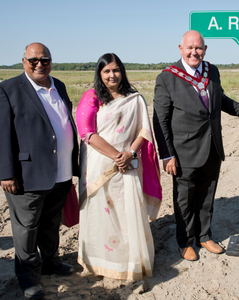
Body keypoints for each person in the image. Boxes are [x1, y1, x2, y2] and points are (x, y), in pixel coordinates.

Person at [0, 43, 79, 299]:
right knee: (26, 230)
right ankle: (29, 279)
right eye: (33, 60)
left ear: (52, 61)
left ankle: (51, 263)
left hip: (60, 174)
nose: (39, 64)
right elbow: (0, 135)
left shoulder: (58, 85)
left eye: (45, 60)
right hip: (27, 177)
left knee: (51, 224)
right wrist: (6, 173)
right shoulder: (6, 90)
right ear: (23, 61)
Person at [153, 30, 239, 261]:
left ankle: (204, 236)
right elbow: (160, 119)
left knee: (206, 196)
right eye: (190, 48)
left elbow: (221, 101)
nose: (194, 52)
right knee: (184, 200)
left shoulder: (211, 71)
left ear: (205, 49)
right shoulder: (167, 77)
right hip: (183, 152)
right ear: (180, 49)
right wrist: (167, 155)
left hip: (212, 147)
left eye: (199, 48)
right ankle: (185, 242)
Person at [76, 53, 162, 281]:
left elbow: (144, 131)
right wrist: (117, 156)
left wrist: (130, 153)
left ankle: (130, 261)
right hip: (99, 166)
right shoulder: (92, 96)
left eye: (115, 70)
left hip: (128, 165)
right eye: (106, 71)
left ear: (122, 72)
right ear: (100, 74)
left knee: (127, 213)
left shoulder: (134, 99)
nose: (112, 75)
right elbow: (86, 132)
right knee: (101, 214)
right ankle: (99, 261)